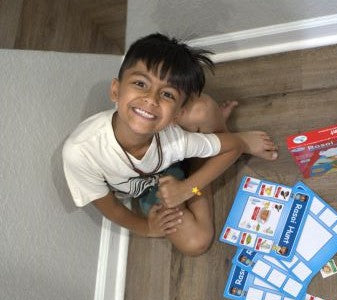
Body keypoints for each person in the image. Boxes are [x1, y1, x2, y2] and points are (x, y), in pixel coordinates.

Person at [63, 33, 278, 256]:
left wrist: (188, 188)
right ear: (116, 91)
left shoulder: (174, 138)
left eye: (167, 94)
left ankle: (212, 141)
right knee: (197, 242)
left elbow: (233, 146)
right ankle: (209, 147)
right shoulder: (81, 152)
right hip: (153, 189)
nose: (151, 99)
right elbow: (111, 208)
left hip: (179, 159)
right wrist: (147, 228)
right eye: (140, 83)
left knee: (204, 112)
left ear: (177, 116)